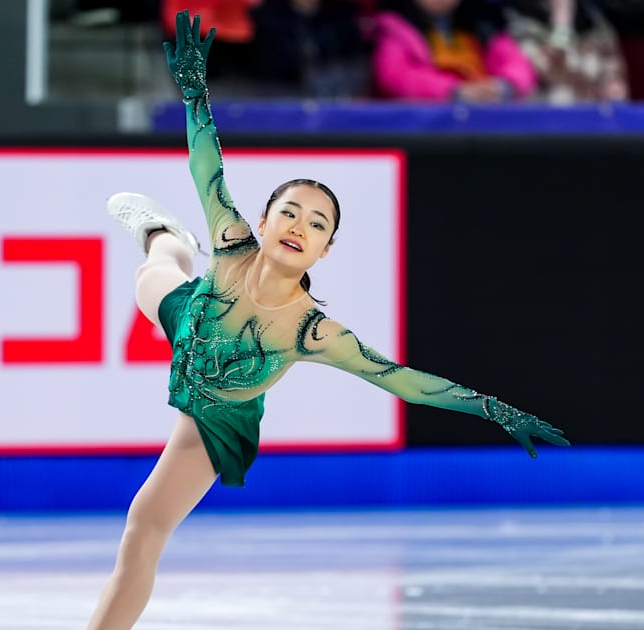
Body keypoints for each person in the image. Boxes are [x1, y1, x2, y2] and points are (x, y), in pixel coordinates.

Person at [87, 11, 569, 628]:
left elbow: (404, 381)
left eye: (317, 225)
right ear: (263, 223)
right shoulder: (233, 243)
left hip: (217, 411)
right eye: (289, 213)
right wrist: (194, 91)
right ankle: (162, 232)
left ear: (323, 251)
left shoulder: (310, 331)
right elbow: (205, 164)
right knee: (154, 274)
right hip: (195, 316)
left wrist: (492, 409)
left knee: (144, 526)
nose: (299, 227)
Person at [371, 0, 537, 102]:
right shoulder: (394, 28)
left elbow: (517, 64)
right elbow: (395, 76)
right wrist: (455, 92)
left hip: (484, 124)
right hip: (425, 129)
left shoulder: (481, 25)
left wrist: (502, 86)